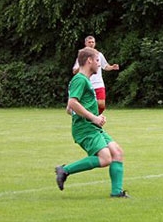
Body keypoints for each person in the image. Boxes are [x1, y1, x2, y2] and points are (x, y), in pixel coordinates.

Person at [55, 46, 128, 197]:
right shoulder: (80, 80)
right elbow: (72, 103)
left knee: (117, 152)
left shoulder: (85, 80)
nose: (99, 63)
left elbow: (70, 108)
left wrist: (95, 117)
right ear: (89, 61)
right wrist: (94, 117)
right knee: (105, 158)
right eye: (96, 60)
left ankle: (117, 193)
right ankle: (65, 170)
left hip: (93, 126)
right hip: (85, 128)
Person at [72, 35, 119, 114]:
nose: (91, 44)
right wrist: (81, 66)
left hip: (98, 83)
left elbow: (105, 66)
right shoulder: (82, 57)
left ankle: (93, 116)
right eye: (89, 42)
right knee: (89, 103)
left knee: (101, 105)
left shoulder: (99, 55)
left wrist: (112, 67)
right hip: (87, 84)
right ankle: (88, 116)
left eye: (93, 42)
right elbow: (74, 71)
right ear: (85, 43)